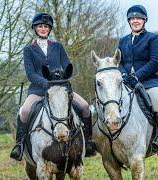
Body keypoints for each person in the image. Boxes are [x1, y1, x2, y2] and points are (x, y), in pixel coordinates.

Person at [9, 13, 97, 161]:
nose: (43, 29)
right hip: (38, 90)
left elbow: (66, 66)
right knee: (24, 111)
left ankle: (88, 142)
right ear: (35, 28)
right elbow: (30, 74)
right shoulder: (28, 50)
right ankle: (19, 145)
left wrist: (60, 80)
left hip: (60, 89)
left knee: (85, 106)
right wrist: (46, 84)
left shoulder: (58, 47)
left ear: (49, 29)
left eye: (46, 26)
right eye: (40, 26)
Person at [118, 5, 158, 152]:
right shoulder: (123, 41)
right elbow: (119, 62)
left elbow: (155, 62)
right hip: (128, 82)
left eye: (138, 18)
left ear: (144, 20)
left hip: (150, 81)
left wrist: (137, 76)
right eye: (132, 18)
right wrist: (123, 74)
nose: (135, 21)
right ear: (129, 21)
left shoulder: (152, 38)